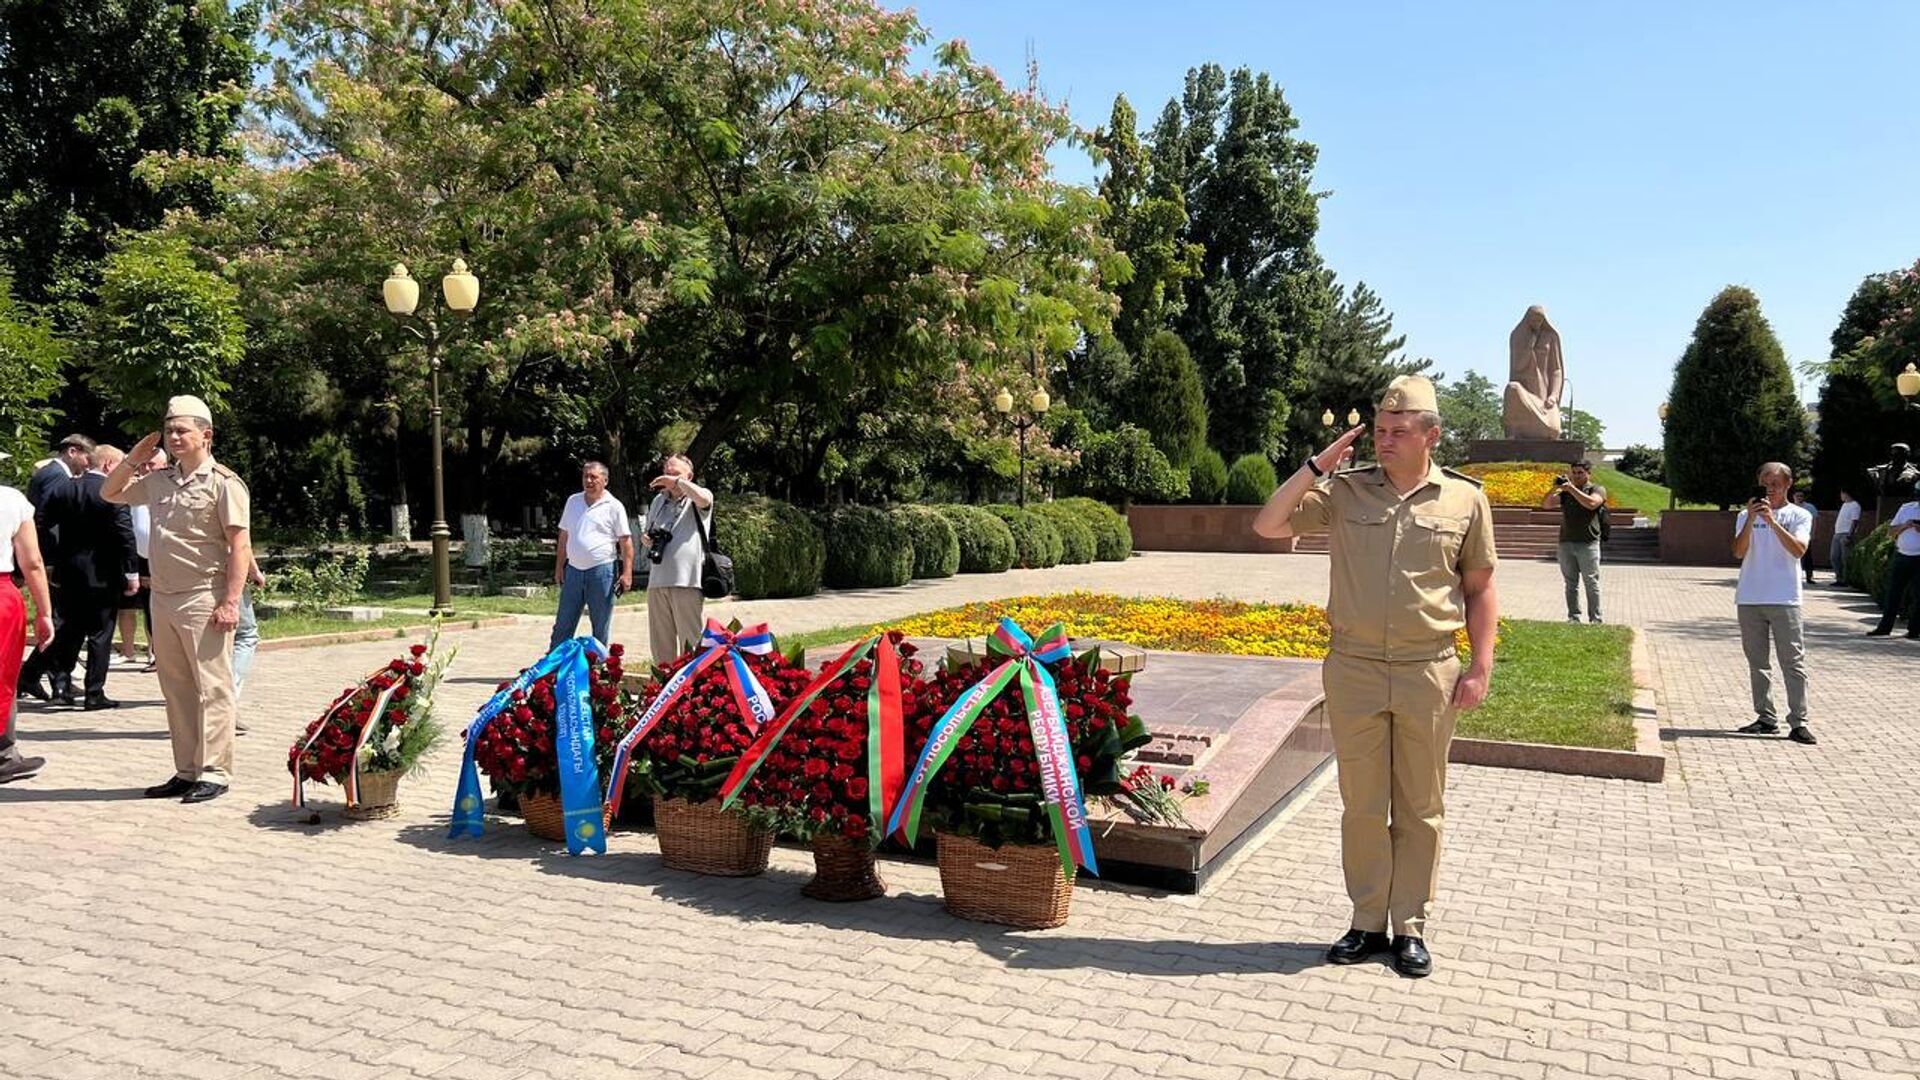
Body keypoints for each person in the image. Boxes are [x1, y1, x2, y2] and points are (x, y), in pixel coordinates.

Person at [1253, 375, 1499, 978]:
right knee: (1362, 805)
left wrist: (1481, 666)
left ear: (1430, 435)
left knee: (1420, 804)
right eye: (1379, 430)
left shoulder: (1466, 500)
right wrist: (1316, 464)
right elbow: (1269, 524)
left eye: (1397, 431)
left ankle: (1409, 925)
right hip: (1355, 669)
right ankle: (1366, 921)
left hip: (1428, 670)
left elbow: (1480, 586)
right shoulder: (1346, 492)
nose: (1383, 439)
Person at [103, 396, 253, 804]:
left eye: (182, 430)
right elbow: (110, 492)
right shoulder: (160, 481)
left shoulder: (224, 483)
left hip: (204, 596)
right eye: (169, 431)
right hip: (163, 598)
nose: (173, 437)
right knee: (176, 688)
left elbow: (239, 546)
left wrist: (230, 602)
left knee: (213, 688)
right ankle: (187, 770)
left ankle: (216, 772)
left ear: (206, 435)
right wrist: (134, 458)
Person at [33, 444, 138, 709]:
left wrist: (53, 557)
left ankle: (60, 684)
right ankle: (94, 693)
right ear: (107, 465)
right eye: (121, 465)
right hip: (104, 572)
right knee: (101, 634)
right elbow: (126, 534)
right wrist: (132, 571)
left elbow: (42, 522)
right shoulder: (112, 493)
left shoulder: (64, 487)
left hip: (69, 571)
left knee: (69, 629)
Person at [1732, 463, 1816, 745]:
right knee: (1757, 662)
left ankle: (1799, 722)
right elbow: (1738, 552)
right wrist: (1750, 520)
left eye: (1775, 482)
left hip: (1785, 599)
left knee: (1792, 662)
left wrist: (1772, 521)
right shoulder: (1746, 514)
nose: (1769, 487)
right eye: (1764, 482)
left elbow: (1798, 550)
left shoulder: (1799, 515)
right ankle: (1766, 718)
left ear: (1788, 484)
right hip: (1749, 597)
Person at [17, 434, 92, 702]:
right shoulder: (57, 477)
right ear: (73, 451)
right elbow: (46, 518)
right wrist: (52, 556)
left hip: (50, 556)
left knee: (64, 620)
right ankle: (40, 674)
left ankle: (40, 675)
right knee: (62, 621)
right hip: (52, 557)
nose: (87, 463)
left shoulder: (50, 473)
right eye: (86, 456)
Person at [1, 466, 56, 783]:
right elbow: (32, 562)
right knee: (4, 673)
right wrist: (45, 612)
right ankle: (3, 754)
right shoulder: (11, 499)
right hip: (2, 593)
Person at [548, 461, 634, 650]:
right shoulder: (573, 501)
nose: (588, 480)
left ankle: (599, 669)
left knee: (600, 625)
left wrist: (627, 573)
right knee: (563, 623)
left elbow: (625, 542)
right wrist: (559, 568)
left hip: (602, 571)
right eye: (585, 476)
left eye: (593, 477)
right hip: (574, 571)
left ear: (605, 480)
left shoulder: (614, 505)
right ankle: (553, 667)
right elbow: (564, 536)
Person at [641, 454, 713, 665]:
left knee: (690, 642)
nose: (669, 479)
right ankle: (664, 689)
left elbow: (705, 500)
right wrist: (647, 539)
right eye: (667, 473)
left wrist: (679, 483)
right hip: (657, 581)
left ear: (689, 476)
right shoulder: (658, 501)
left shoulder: (699, 496)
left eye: (676, 474)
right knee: (661, 645)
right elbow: (648, 534)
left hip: (686, 580)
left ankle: (693, 689)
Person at [1542, 460, 1607, 623]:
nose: (1576, 476)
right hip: (1566, 542)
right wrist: (1555, 487)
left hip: (1588, 542)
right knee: (1571, 583)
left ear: (1588, 473)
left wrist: (1571, 489)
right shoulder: (1566, 492)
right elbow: (1546, 505)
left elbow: (1592, 503)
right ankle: (1574, 617)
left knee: (1591, 582)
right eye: (1574, 473)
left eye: (1580, 473)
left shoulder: (1597, 489)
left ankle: (1595, 619)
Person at [1865, 480, 1920, 639]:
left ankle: (1914, 629)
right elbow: (1891, 531)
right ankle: (1884, 627)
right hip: (1902, 555)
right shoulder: (1906, 509)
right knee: (1893, 593)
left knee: (1918, 596)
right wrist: (1905, 526)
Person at [1829, 488, 1861, 587]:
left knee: (1845, 558)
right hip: (1837, 533)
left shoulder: (1855, 505)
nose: (1841, 496)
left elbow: (1855, 521)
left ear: (1846, 493)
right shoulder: (1844, 505)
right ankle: (1839, 578)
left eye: (1842, 494)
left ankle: (1846, 579)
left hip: (1846, 533)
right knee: (1834, 557)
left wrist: (1849, 535)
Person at [1790, 490, 1816, 585]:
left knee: (1808, 557)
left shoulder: (1810, 507)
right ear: (1793, 496)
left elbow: (1814, 522)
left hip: (1805, 536)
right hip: (1792, 536)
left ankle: (1810, 577)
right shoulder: (1790, 507)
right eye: (1797, 496)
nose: (1799, 498)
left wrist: (1812, 533)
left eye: (1801, 496)